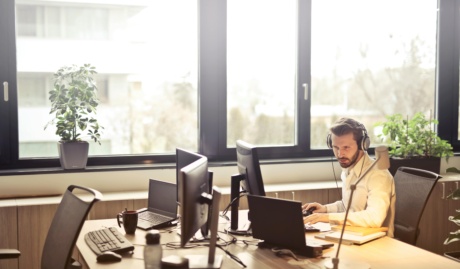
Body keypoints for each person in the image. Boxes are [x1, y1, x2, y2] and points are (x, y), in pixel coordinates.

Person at [303, 117, 395, 237]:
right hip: (352, 234)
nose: (340, 154)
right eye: (336, 148)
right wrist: (325, 209)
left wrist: (326, 217)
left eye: (346, 147)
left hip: (377, 242)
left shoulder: (378, 175)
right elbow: (349, 206)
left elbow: (374, 218)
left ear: (363, 145)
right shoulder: (348, 169)